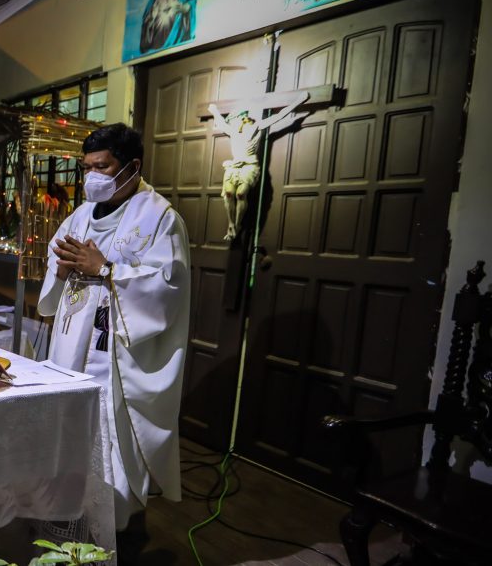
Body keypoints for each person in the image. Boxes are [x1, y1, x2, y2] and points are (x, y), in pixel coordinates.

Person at [37, 123, 190, 536]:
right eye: (87, 167)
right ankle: (69, 516)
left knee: (107, 437)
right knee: (69, 431)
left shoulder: (160, 218)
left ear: (132, 166)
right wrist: (64, 266)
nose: (92, 177)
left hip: (116, 352)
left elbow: (167, 286)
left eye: (102, 167)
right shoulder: (82, 213)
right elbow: (58, 264)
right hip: (70, 344)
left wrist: (105, 269)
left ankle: (115, 528)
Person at [209, 92, 309, 241]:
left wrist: (298, 101)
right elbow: (221, 122)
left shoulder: (257, 126)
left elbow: (279, 116)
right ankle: (231, 225)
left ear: (243, 118)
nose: (236, 121)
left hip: (249, 165)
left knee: (241, 194)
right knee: (229, 193)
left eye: (237, 118)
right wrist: (214, 111)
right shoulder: (233, 130)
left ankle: (237, 224)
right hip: (235, 166)